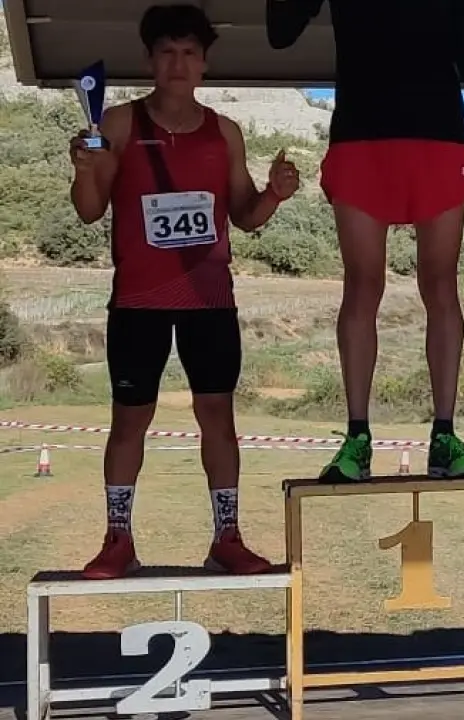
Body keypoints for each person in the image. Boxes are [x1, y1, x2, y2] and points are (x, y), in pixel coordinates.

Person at [69, 3, 298, 579]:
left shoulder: (226, 132)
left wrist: (274, 195)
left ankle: (228, 537)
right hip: (138, 301)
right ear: (150, 60)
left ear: (204, 63)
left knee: (217, 416)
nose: (178, 63)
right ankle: (117, 539)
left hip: (210, 301)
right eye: (167, 52)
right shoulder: (118, 124)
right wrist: (83, 169)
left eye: (189, 53)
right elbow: (89, 211)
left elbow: (244, 215)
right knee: (130, 420)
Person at [266, 0, 464, 482]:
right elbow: (281, 31)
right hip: (361, 137)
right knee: (362, 286)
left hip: (439, 135)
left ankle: (444, 436)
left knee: (441, 286)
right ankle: (357, 438)